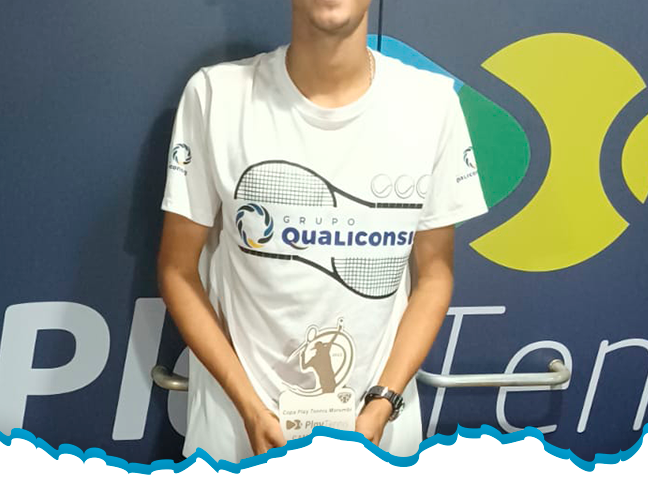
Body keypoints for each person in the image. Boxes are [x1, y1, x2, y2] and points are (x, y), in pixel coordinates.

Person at [157, 0, 488, 462]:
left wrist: (381, 405)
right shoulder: (216, 96)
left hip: (378, 440)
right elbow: (177, 270)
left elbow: (434, 275)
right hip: (234, 438)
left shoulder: (432, 106)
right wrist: (250, 410)